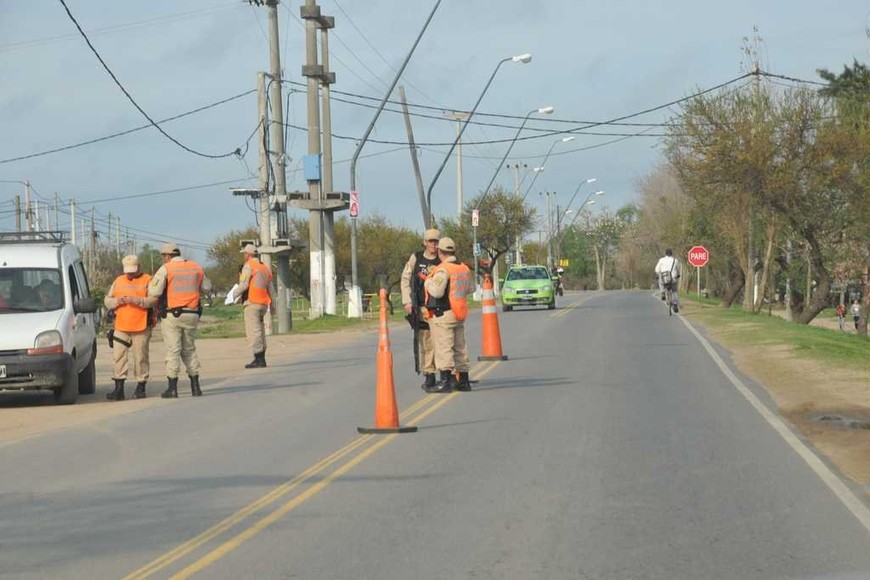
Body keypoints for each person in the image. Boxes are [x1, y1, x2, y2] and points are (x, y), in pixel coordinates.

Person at [147, 242, 212, 398]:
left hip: (173, 315)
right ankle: (195, 387)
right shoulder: (196, 267)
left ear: (167, 256)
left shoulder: (166, 268)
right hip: (192, 313)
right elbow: (207, 287)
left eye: (163, 256)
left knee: (173, 350)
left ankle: (172, 388)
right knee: (189, 349)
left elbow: (154, 291)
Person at [423, 236, 472, 393]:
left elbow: (437, 292)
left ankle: (445, 382)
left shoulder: (443, 269)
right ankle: (464, 381)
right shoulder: (463, 268)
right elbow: (470, 289)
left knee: (444, 348)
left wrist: (428, 282)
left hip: (444, 314)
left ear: (440, 252)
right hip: (459, 313)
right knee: (460, 347)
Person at [104, 255, 156, 401]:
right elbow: (107, 300)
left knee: (140, 357)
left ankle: (141, 387)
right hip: (121, 325)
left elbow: (153, 300)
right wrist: (116, 301)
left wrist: (137, 300)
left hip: (141, 325)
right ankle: (118, 389)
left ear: (139, 267)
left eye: (132, 271)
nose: (130, 274)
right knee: (118, 357)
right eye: (127, 271)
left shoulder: (148, 280)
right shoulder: (118, 280)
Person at [400, 228, 441, 391]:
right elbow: (405, 278)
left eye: (436, 241)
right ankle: (429, 375)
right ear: (425, 242)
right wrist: (407, 301)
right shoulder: (416, 258)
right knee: (426, 343)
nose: (433, 244)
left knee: (442, 342)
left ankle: (449, 375)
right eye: (430, 241)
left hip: (439, 307)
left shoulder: (443, 257)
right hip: (422, 308)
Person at [234, 244, 273, 368]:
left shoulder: (248, 266)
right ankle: (261, 357)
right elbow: (271, 289)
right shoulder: (265, 268)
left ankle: (259, 359)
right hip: (263, 304)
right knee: (260, 331)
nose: (244, 256)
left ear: (248, 255)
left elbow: (244, 285)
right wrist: (273, 306)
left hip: (252, 303)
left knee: (253, 331)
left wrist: (233, 295)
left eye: (245, 254)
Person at [655, 248, 682, 313]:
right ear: (671, 254)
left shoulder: (661, 260)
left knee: (660, 281)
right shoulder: (675, 260)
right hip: (673, 278)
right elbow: (678, 269)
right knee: (675, 291)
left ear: (665, 254)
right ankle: (675, 304)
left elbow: (657, 269)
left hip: (664, 278)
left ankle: (662, 293)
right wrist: (678, 274)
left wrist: (658, 273)